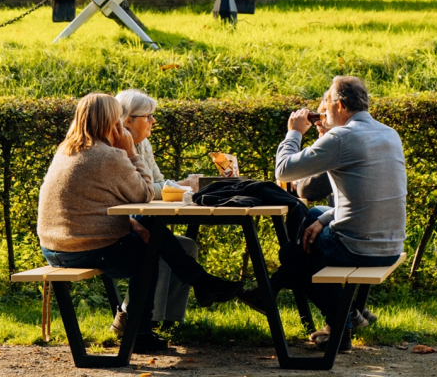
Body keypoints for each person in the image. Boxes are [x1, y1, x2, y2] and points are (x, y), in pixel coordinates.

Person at [38, 92, 242, 353]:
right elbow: (143, 193)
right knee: (150, 248)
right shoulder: (107, 156)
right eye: (118, 121)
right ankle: (142, 331)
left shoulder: (67, 149)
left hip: (56, 248)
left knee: (148, 231)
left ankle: (201, 285)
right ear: (112, 122)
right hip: (86, 249)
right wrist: (131, 152)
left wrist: (133, 224)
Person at [240, 76, 406, 351]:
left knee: (294, 255)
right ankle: (343, 315)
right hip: (390, 244)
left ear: (339, 105)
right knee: (314, 215)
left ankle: (343, 323)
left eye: (326, 103)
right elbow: (365, 200)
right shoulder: (389, 133)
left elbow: (283, 171)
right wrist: (322, 220)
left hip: (357, 248)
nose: (324, 111)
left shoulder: (343, 137)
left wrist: (294, 132)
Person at [111, 89, 200, 339]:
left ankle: (162, 323)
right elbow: (140, 193)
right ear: (128, 120)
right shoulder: (115, 148)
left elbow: (157, 183)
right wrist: (178, 188)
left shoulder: (143, 143)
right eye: (148, 116)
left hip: (136, 219)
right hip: (119, 225)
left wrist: (179, 187)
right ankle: (136, 321)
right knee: (152, 241)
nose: (153, 121)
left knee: (186, 245)